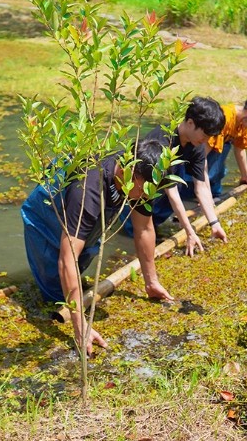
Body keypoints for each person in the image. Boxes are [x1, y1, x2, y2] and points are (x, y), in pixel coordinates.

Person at [21, 138, 174, 353]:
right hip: (47, 213)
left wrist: (151, 282)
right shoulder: (88, 188)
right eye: (145, 189)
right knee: (54, 291)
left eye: (152, 190)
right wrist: (81, 326)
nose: (147, 196)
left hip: (86, 212)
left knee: (86, 254)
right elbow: (67, 260)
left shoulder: (142, 178)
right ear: (128, 172)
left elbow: (145, 229)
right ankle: (50, 305)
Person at [129, 96, 228, 254]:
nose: (206, 141)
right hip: (140, 190)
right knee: (133, 231)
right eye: (205, 135)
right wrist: (190, 232)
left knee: (180, 185)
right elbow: (172, 192)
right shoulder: (163, 141)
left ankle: (155, 226)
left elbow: (201, 186)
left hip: (163, 188)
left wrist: (214, 223)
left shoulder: (197, 145)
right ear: (190, 123)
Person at [178, 91, 247, 200]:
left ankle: (214, 193)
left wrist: (245, 176)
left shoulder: (244, 122)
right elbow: (202, 157)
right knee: (191, 182)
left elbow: (240, 149)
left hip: (217, 149)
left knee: (218, 172)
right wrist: (204, 192)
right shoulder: (225, 118)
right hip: (200, 148)